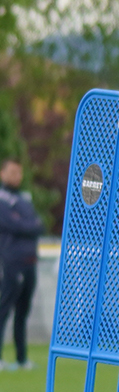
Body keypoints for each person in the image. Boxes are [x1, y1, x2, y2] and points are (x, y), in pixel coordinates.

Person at [0, 158, 44, 371]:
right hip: (12, 262)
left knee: (22, 312)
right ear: (2, 173)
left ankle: (21, 358)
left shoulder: (24, 200)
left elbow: (38, 224)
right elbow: (15, 224)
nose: (16, 176)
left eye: (19, 172)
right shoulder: (2, 200)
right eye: (12, 172)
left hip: (30, 262)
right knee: (4, 308)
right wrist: (27, 225)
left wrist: (27, 225)